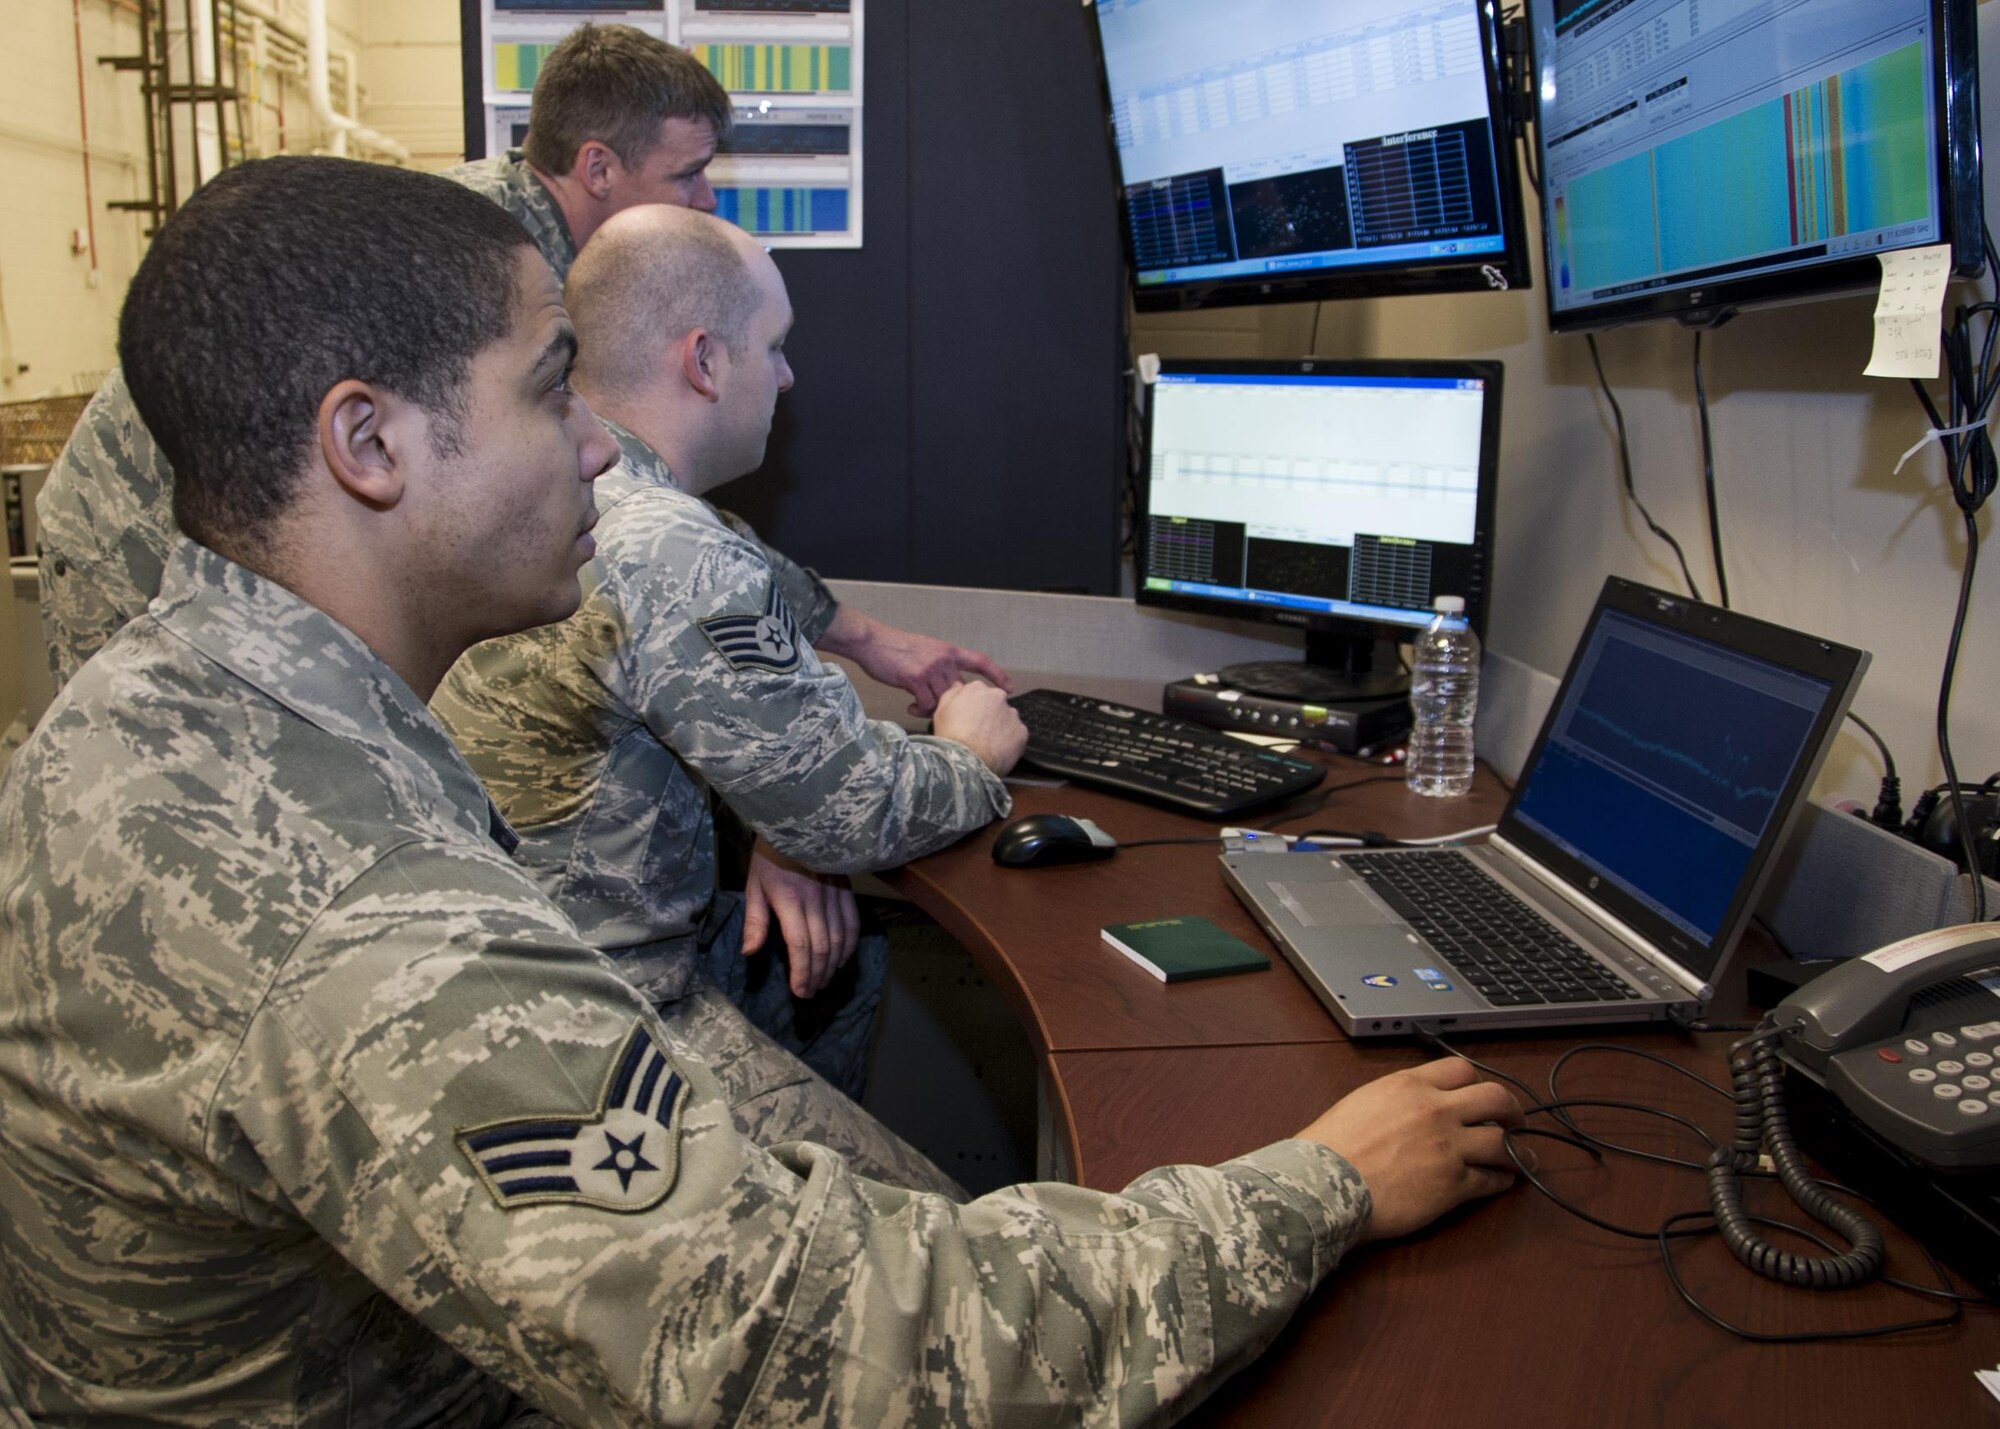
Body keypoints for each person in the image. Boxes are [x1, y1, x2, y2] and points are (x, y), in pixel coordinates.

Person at [0, 153, 1522, 1424]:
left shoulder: (156, 700)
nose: (603, 447)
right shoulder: (360, 916)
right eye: (549, 393)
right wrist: (1319, 1183)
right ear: (369, 443)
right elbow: (834, 1351)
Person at [34, 22, 1009, 1142]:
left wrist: (848, 651)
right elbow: (662, 545)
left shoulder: (576, 381)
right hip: (146, 550)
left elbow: (661, 534)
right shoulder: (476, 259)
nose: (591, 449)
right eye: (687, 174)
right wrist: (855, 782)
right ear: (597, 168)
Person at [431, 205, 1022, 1128]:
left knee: (841, 957)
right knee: (921, 1227)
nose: (788, 376)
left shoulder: (575, 479)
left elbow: (734, 565)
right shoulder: (671, 547)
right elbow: (854, 808)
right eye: (776, 346)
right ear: (704, 362)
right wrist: (971, 750)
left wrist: (855, 656)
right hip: (602, 1008)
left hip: (504, 951)